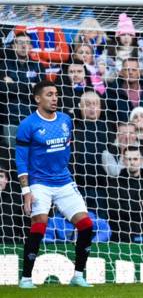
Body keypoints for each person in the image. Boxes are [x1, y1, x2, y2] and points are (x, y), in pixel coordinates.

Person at [15, 80, 94, 288]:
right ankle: (26, 278)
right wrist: (26, 191)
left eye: (56, 94)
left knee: (86, 226)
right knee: (39, 224)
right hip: (39, 183)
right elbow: (21, 159)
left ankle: (77, 276)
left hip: (64, 181)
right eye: (49, 94)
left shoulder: (66, 120)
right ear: (37, 98)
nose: (54, 98)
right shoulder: (28, 125)